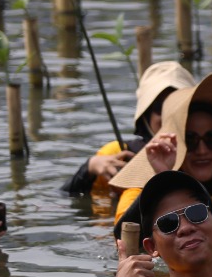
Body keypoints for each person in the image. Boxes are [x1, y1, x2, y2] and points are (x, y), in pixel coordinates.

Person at [109, 72, 212, 234]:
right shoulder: (140, 193)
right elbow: (122, 238)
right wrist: (163, 180)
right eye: (190, 140)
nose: (202, 150)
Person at [64, 61, 195, 196]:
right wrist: (89, 168)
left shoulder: (201, 153)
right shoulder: (118, 155)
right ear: (146, 114)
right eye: (160, 107)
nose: (169, 115)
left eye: (178, 107)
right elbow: (66, 196)